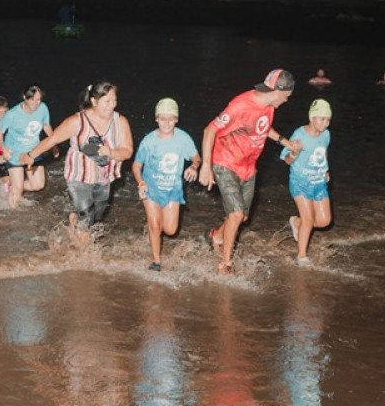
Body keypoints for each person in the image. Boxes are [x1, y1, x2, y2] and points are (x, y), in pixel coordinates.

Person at [200, 69, 300, 276]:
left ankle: (217, 235)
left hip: (248, 167)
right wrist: (206, 166)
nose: (286, 101)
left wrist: (285, 141)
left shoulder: (268, 106)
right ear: (277, 90)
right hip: (225, 162)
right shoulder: (240, 105)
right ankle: (225, 265)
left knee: (241, 216)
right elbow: (209, 130)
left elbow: (262, 128)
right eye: (286, 96)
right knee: (236, 214)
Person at [22, 80, 134, 239]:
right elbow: (52, 139)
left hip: (105, 177)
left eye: (114, 101)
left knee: (97, 216)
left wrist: (111, 152)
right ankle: (84, 259)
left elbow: (128, 151)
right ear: (94, 101)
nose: (112, 105)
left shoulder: (120, 121)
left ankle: (75, 219)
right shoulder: (77, 121)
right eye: (107, 101)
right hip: (79, 175)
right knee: (87, 219)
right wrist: (30, 156)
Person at [131, 98, 201, 271]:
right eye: (162, 119)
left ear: (176, 119)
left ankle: (152, 232)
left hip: (173, 190)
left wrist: (194, 166)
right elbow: (136, 165)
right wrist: (141, 183)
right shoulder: (149, 141)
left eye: (171, 119)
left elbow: (196, 157)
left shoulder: (183, 139)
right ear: (156, 119)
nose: (166, 123)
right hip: (151, 188)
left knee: (170, 229)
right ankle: (156, 261)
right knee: (155, 224)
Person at [284, 99, 334, 266]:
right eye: (322, 119)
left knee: (324, 221)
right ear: (312, 118)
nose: (325, 123)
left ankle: (296, 222)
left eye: (328, 120)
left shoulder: (326, 134)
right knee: (309, 221)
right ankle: (301, 256)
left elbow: (323, 151)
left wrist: (325, 170)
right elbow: (287, 160)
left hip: (319, 182)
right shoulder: (299, 135)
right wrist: (295, 153)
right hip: (300, 182)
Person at [0, 85, 55, 209]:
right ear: (25, 97)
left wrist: (54, 144)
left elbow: (46, 125)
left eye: (38, 100)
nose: (36, 103)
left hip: (34, 151)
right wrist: (3, 149)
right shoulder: (12, 114)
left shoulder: (43, 108)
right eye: (32, 100)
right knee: (17, 189)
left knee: (38, 185)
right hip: (15, 153)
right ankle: (12, 216)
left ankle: (11, 184)